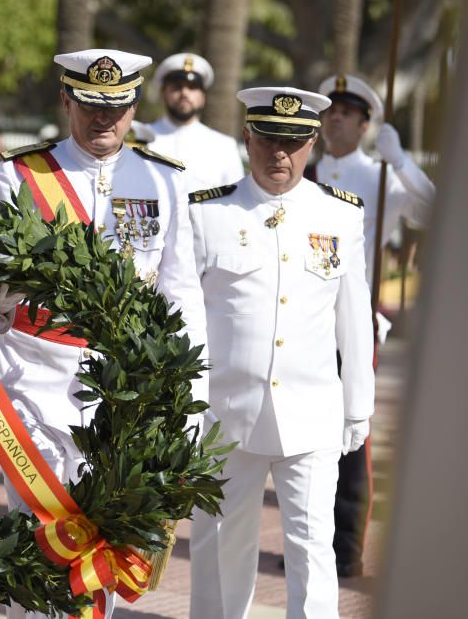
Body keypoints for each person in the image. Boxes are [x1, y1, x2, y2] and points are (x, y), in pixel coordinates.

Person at [0, 49, 208, 619]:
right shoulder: (21, 173)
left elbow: (180, 291)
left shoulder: (162, 179)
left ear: (134, 107)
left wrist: (190, 399)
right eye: (89, 105)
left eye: (116, 106)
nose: (103, 118)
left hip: (121, 387)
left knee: (103, 534)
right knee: (40, 527)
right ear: (66, 101)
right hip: (33, 371)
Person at [189, 86, 374, 618]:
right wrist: (187, 403)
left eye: (293, 142)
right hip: (225, 414)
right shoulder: (210, 214)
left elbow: (353, 316)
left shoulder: (339, 215)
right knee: (222, 548)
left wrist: (358, 406)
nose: (279, 154)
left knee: (314, 550)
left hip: (312, 413)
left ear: (312, 143)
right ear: (247, 137)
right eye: (268, 139)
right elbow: (187, 315)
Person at [315, 73, 436, 577]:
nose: (336, 117)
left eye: (347, 111)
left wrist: (402, 160)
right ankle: (311, 542)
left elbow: (436, 211)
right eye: (330, 110)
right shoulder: (298, 169)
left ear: (366, 124)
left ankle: (345, 551)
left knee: (351, 436)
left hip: (352, 324)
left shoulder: (381, 177)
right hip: (300, 320)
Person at [143, 52, 244, 194]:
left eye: (192, 87)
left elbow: (235, 200)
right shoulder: (140, 139)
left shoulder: (224, 147)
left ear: (203, 97)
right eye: (176, 87)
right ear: (162, 93)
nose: (184, 93)